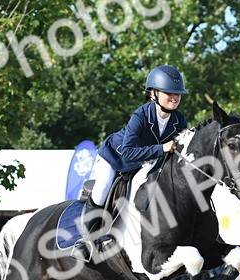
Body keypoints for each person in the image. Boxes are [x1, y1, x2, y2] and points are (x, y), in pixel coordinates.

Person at [74, 65, 189, 259]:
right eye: (169, 92)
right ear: (153, 94)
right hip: (115, 157)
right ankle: (83, 240)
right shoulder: (141, 115)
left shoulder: (180, 120)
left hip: (143, 164)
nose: (175, 97)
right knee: (102, 189)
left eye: (178, 93)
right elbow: (127, 152)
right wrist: (161, 148)